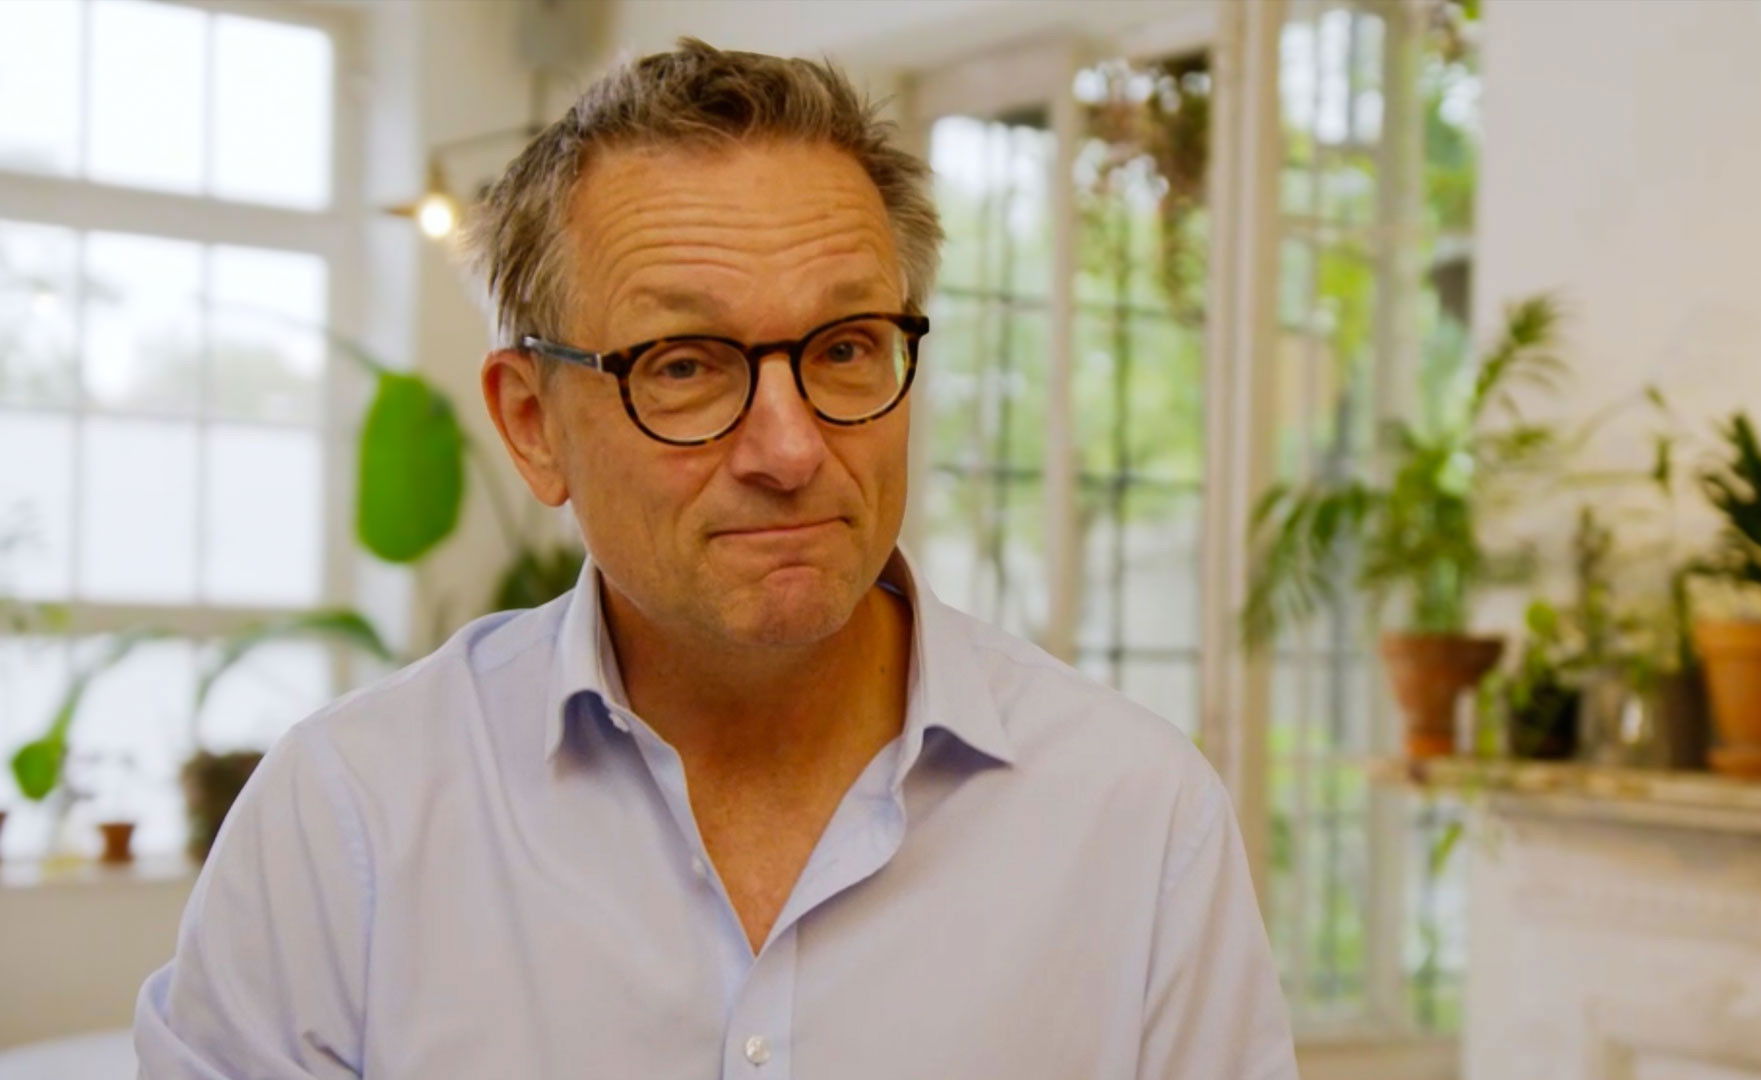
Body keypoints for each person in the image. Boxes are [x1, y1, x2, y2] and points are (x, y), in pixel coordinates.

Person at [134, 38, 1297, 1079]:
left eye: (845, 348)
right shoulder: (350, 818)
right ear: (534, 424)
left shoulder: (1136, 817)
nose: (790, 450)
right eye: (684, 364)